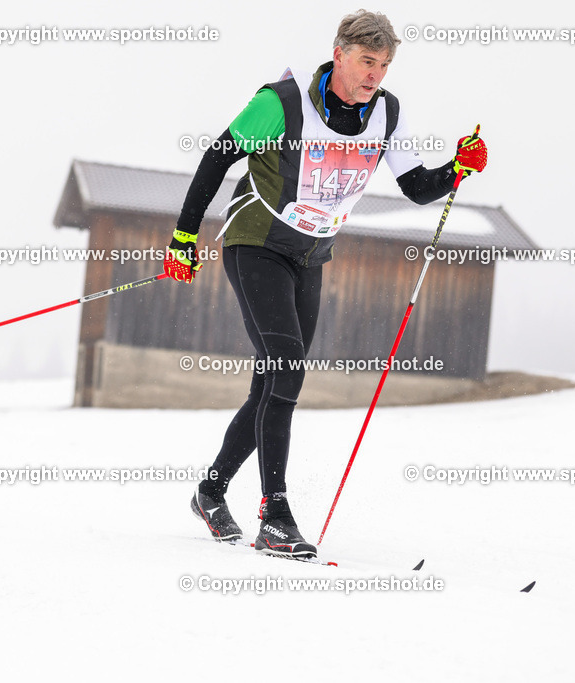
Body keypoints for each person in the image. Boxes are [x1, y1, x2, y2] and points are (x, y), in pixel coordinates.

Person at [165, 10, 488, 559]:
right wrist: (183, 238)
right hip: (257, 240)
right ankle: (277, 513)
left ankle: (211, 491)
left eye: (384, 65)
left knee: (272, 382)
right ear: (338, 54)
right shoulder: (281, 103)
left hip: (311, 255)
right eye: (367, 62)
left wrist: (457, 168)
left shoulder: (386, 113)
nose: (375, 76)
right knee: (287, 363)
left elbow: (414, 187)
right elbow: (216, 156)